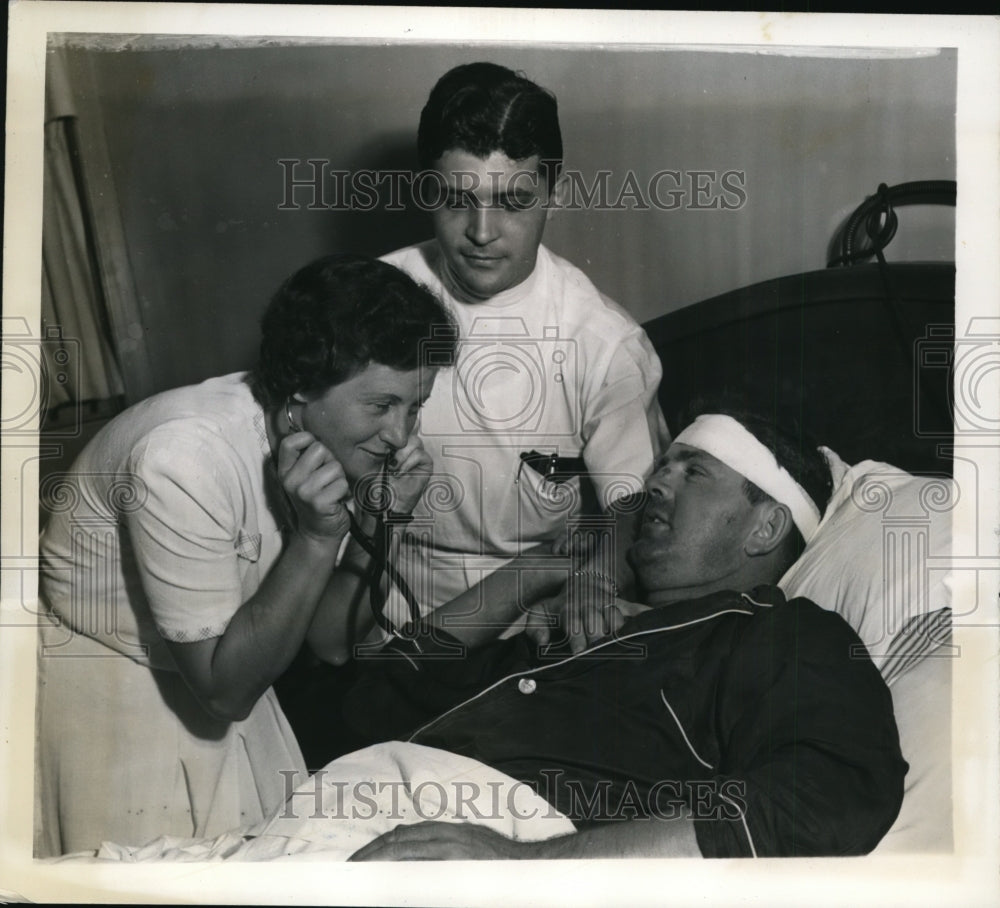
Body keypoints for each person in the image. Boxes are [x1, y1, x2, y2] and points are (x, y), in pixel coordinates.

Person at [332, 409, 907, 859]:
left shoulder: (778, 636)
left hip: (487, 842)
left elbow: (827, 796)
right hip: (350, 804)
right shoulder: (576, 635)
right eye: (662, 467)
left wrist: (519, 864)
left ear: (766, 526)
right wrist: (536, 573)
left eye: (693, 472)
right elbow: (376, 691)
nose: (658, 483)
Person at [33, 254, 458, 856]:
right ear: (304, 384)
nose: (401, 435)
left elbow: (333, 641)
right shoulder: (182, 458)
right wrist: (316, 538)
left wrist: (382, 519)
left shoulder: (316, 439)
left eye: (414, 407)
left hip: (230, 672)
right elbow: (225, 691)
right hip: (120, 698)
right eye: (381, 405)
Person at [380, 61, 669, 622]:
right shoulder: (370, 302)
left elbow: (634, 507)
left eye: (511, 202)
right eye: (456, 200)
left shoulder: (604, 343)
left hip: (529, 621)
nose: (481, 233)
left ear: (552, 195)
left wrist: (596, 585)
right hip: (382, 608)